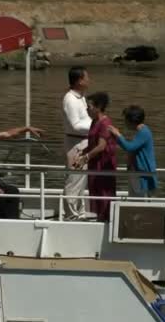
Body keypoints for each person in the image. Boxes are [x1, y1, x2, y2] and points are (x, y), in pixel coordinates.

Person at [76, 92, 117, 222]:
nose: (87, 109)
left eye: (89, 107)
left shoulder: (105, 123)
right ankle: (100, 218)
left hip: (103, 164)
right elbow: (92, 143)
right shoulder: (94, 122)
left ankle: (106, 220)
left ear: (98, 107)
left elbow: (101, 146)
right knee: (95, 190)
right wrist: (82, 152)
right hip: (94, 163)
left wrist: (86, 157)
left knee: (104, 193)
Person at [62, 66, 92, 220]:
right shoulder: (70, 99)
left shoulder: (81, 97)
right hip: (75, 142)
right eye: (86, 77)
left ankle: (80, 213)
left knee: (82, 181)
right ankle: (71, 215)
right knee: (74, 179)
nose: (89, 80)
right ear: (80, 81)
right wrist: (95, 127)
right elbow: (75, 125)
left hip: (84, 142)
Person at [108, 105, 158, 197]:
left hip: (142, 174)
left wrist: (118, 135)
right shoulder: (141, 132)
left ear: (131, 121)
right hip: (137, 172)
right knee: (134, 199)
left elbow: (129, 147)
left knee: (139, 201)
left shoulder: (144, 132)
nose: (125, 123)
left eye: (125, 120)